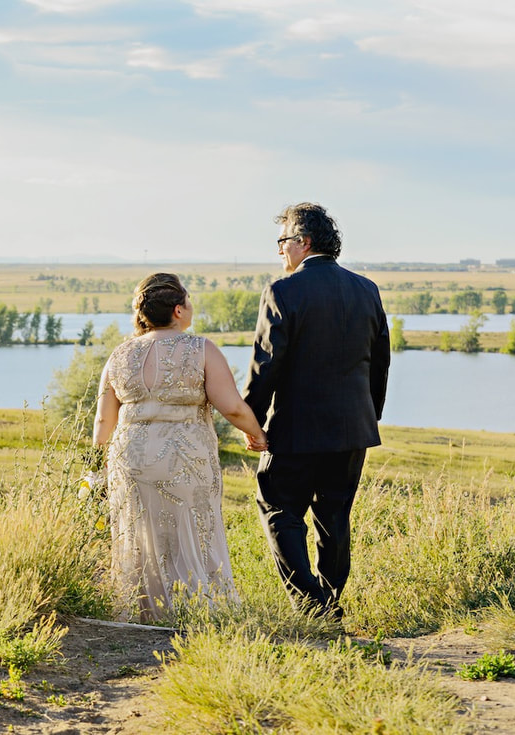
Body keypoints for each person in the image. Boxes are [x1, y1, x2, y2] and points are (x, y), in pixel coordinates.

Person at [242, 202, 390, 621]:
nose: (280, 251)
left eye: (283, 241)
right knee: (334, 516)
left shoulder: (283, 291)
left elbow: (266, 364)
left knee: (277, 508)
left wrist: (250, 421)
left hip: (295, 430)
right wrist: (368, 416)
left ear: (303, 242)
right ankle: (330, 597)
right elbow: (380, 362)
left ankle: (311, 604)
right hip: (352, 429)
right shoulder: (368, 289)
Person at [93, 273, 268, 622]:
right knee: (192, 529)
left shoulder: (120, 354)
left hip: (130, 456)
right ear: (177, 310)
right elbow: (231, 406)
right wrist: (257, 435)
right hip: (184, 457)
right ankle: (198, 608)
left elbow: (103, 422)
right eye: (188, 301)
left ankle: (142, 610)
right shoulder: (201, 349)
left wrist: (98, 465)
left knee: (140, 532)